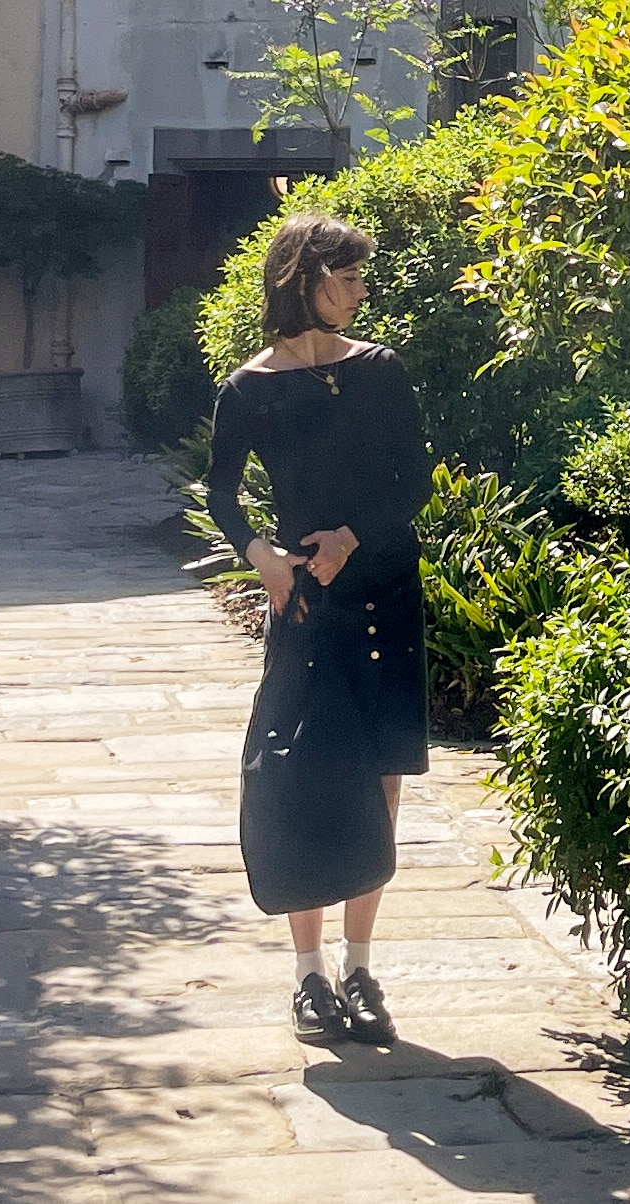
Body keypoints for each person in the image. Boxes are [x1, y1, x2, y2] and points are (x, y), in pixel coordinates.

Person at [207, 212, 433, 1047]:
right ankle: (307, 977)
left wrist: (352, 537)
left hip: (379, 584)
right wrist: (258, 553)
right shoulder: (249, 387)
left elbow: (413, 478)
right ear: (303, 278)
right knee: (298, 772)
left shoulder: (379, 371)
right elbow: (221, 495)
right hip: (303, 601)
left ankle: (361, 966)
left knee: (379, 769)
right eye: (348, 277)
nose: (361, 292)